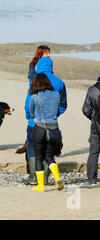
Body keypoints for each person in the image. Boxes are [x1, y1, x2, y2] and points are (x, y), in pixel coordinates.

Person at [24, 54, 67, 186]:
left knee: (33, 150)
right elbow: (63, 105)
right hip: (53, 124)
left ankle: (33, 179)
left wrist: (30, 116)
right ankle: (49, 179)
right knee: (49, 153)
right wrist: (53, 115)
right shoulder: (60, 83)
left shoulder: (35, 80)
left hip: (36, 124)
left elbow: (28, 105)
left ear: (39, 66)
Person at [21, 44, 52, 185]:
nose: (49, 56)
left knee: (34, 146)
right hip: (49, 120)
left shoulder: (37, 76)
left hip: (35, 120)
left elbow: (29, 101)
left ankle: (34, 178)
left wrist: (30, 115)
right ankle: (41, 178)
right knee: (44, 147)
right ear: (40, 54)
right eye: (46, 54)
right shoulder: (35, 69)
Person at [28, 74, 64, 192]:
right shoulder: (57, 95)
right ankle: (58, 178)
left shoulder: (35, 97)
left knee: (39, 157)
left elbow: (32, 114)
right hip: (54, 129)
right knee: (49, 156)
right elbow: (58, 109)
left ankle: (41, 186)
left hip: (39, 129)